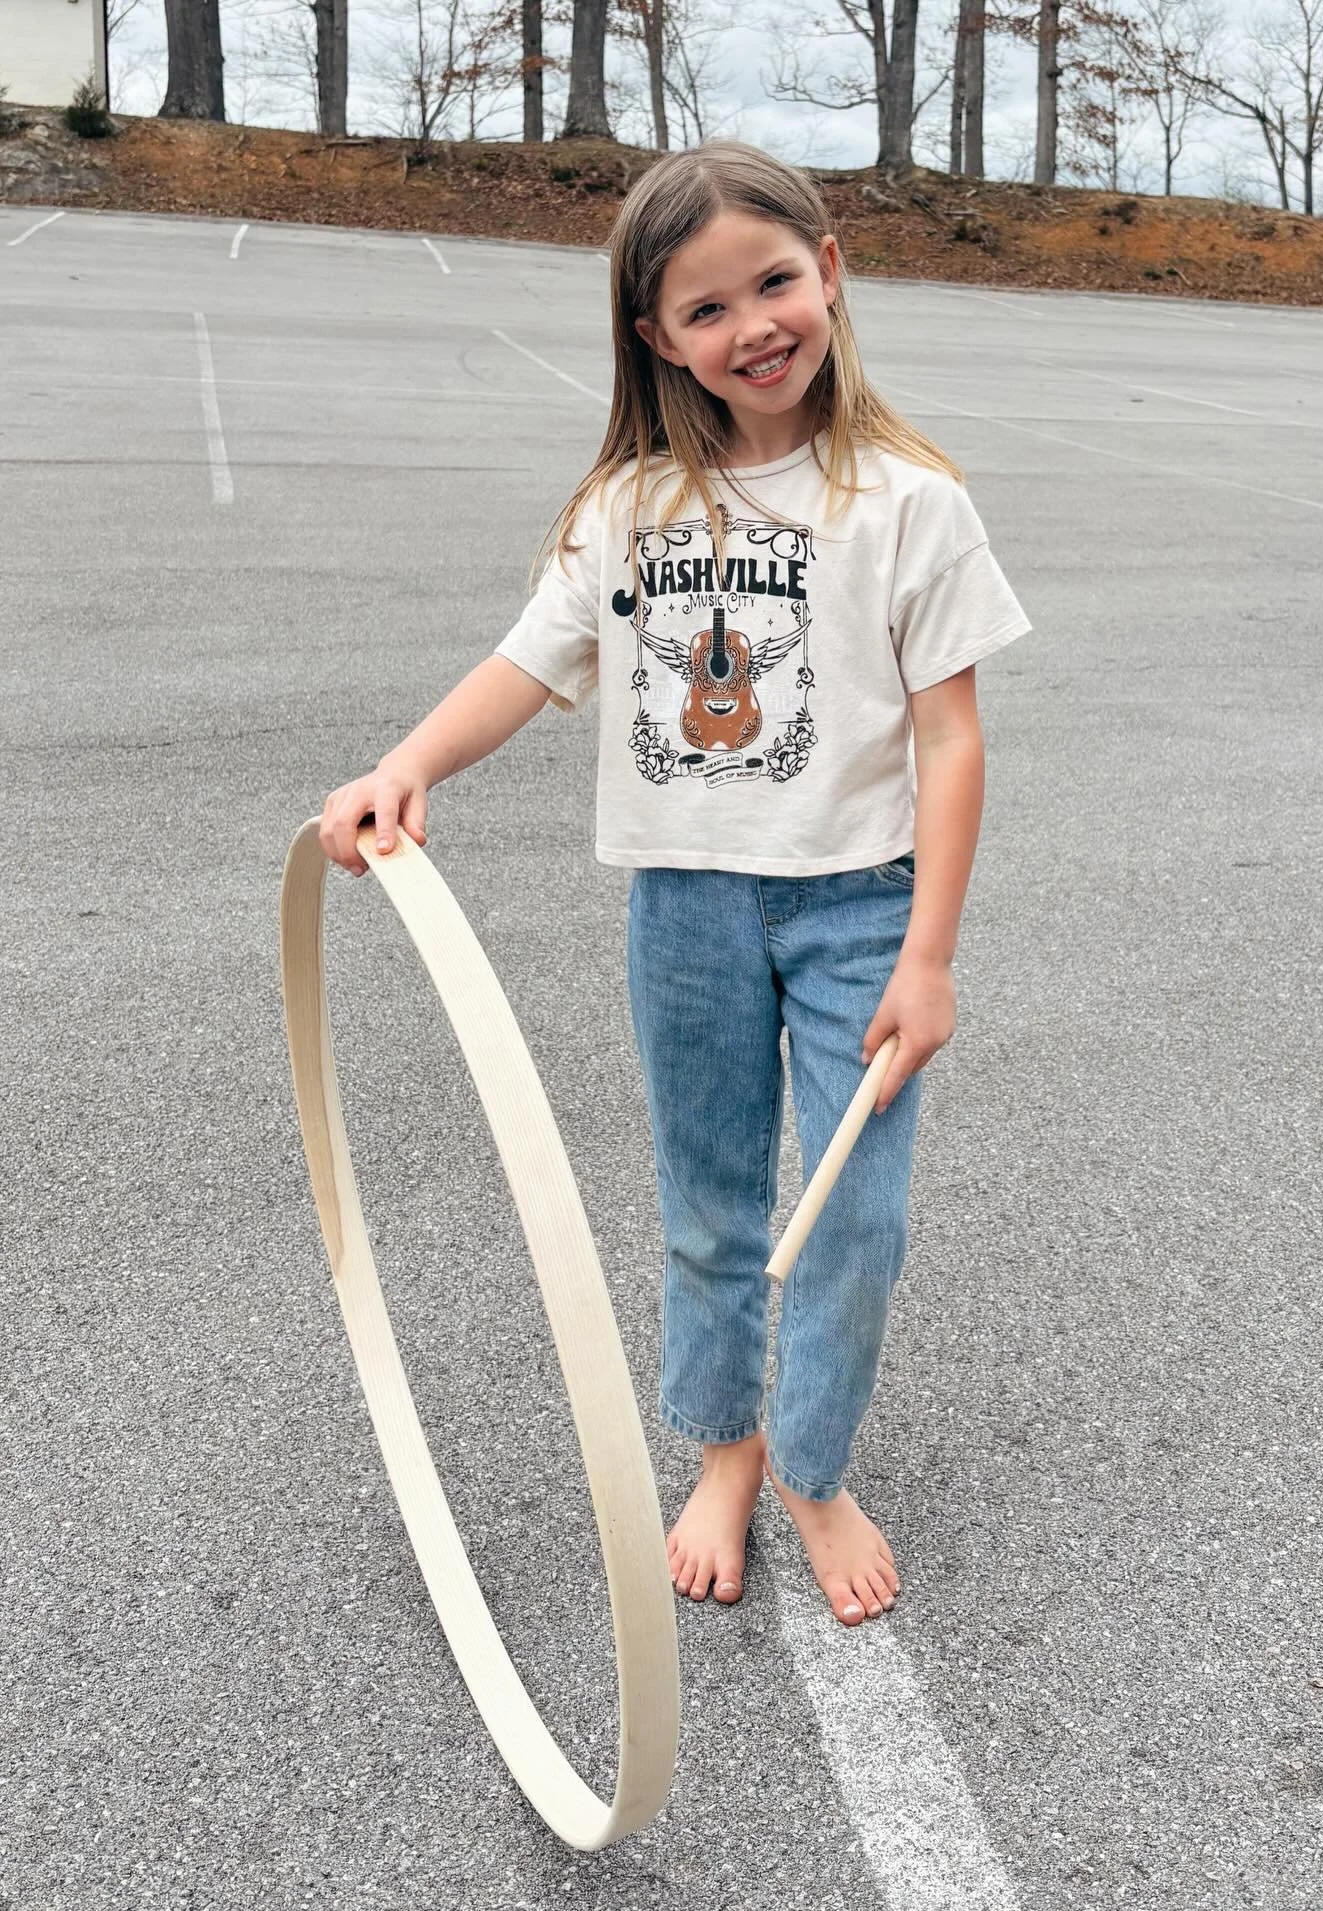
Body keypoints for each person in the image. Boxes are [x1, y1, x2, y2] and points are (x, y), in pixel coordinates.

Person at [319, 139, 1032, 1629]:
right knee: (710, 1206)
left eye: (775, 280)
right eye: (706, 308)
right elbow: (530, 663)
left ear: (830, 272)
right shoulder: (630, 508)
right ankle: (725, 1446)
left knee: (855, 1219)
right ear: (657, 336)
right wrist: (408, 762)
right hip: (688, 910)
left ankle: (816, 1467)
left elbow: (954, 740)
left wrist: (932, 954)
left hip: (860, 907)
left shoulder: (909, 502)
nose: (752, 325)